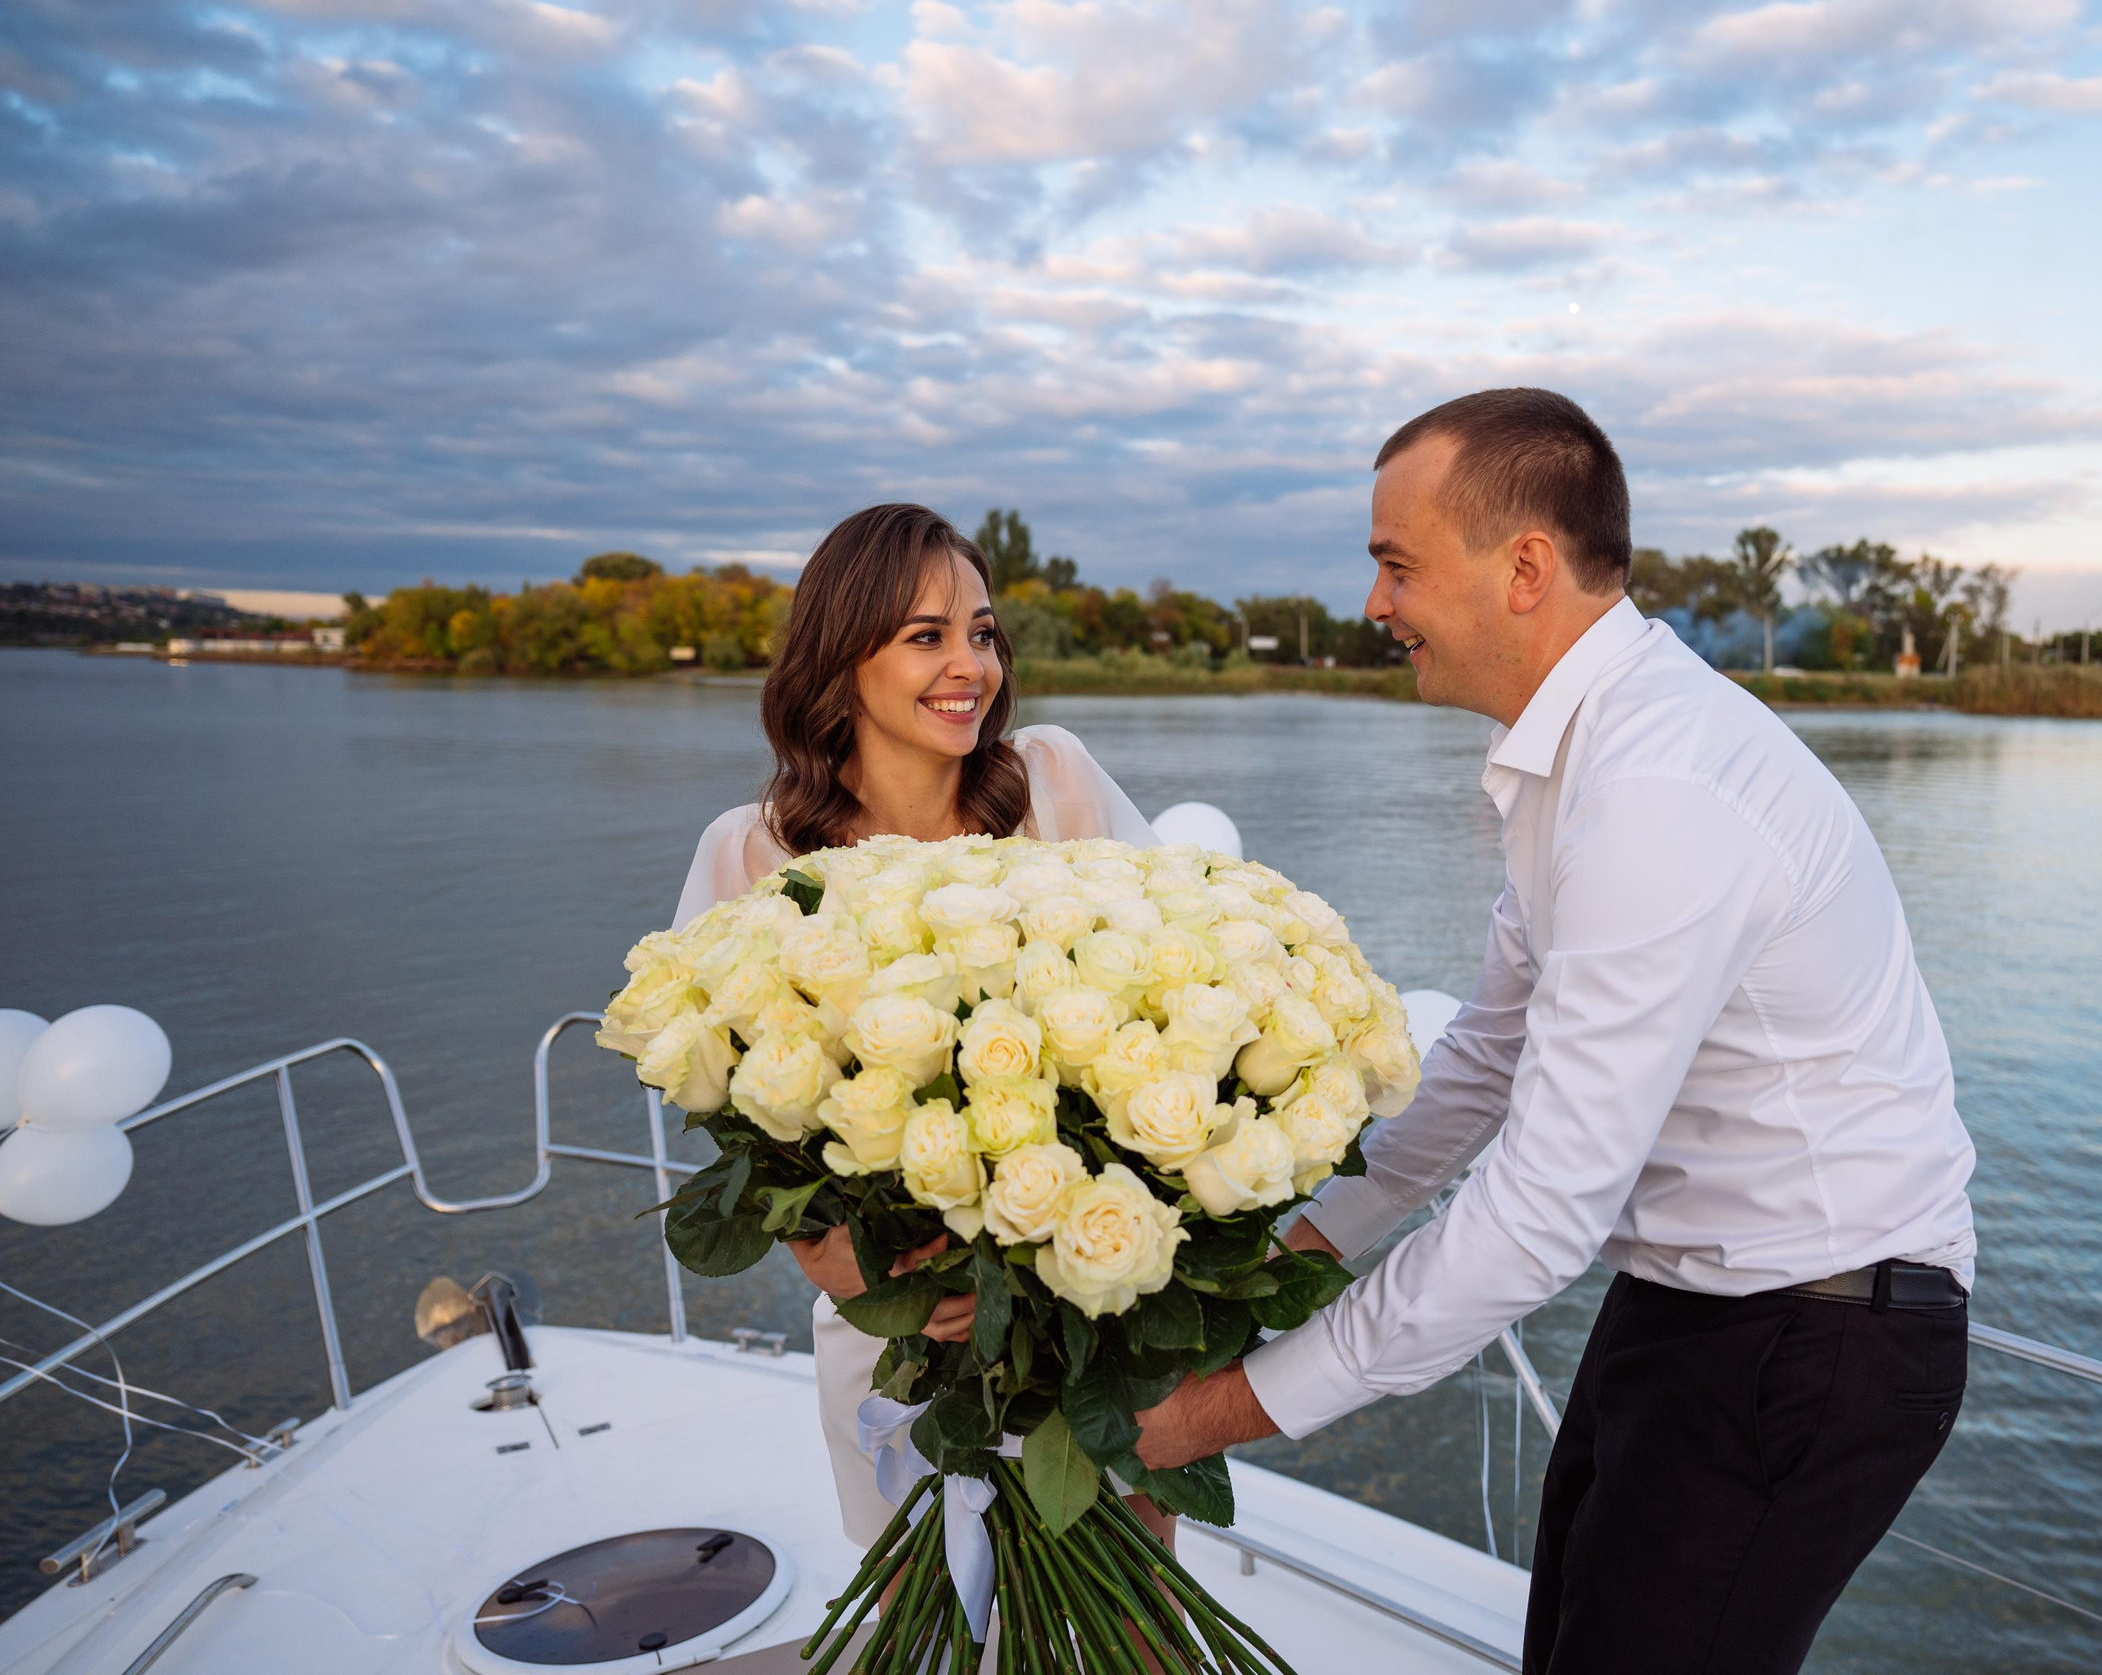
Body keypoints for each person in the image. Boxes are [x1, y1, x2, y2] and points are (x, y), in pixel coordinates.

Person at [1129, 389, 1979, 1674]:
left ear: (1523, 569)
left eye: (1396, 565)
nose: (1375, 605)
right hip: (1688, 1297)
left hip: (1818, 1331)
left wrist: (1208, 1415)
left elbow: (1538, 1212)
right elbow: (1484, 1062)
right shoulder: (1575, 759)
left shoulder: (1657, 791)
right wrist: (1267, 1266)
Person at [667, 501, 1164, 1549]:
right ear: (840, 657)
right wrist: (832, 1259)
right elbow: (722, 1095)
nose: (969, 667)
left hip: (1094, 1304)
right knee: (922, 1603)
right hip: (895, 1329)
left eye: (982, 633)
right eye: (926, 636)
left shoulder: (1052, 783)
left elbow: (1168, 995)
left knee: (1136, 1607)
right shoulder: (755, 853)